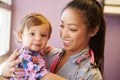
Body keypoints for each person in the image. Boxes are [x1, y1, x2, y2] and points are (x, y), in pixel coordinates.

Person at [0, 0, 106, 80]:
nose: (64, 34)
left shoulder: (91, 75)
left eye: (72, 29)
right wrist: (4, 72)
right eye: (61, 25)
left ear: (92, 31)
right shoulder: (46, 53)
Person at [5, 13, 52, 80]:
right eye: (32, 34)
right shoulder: (23, 55)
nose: (38, 38)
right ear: (21, 36)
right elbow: (37, 73)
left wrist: (43, 52)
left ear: (48, 38)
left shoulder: (37, 53)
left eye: (43, 35)